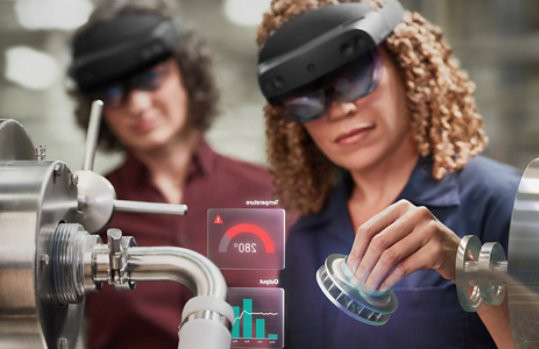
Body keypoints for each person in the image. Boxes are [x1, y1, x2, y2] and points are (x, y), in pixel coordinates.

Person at [255, 0, 520, 348]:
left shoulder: (505, 203)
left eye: (353, 76)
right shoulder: (305, 241)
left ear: (407, 69)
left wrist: (466, 269)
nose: (341, 109)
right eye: (307, 97)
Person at [68, 1, 276, 348]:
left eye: (149, 77)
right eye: (112, 92)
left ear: (188, 73)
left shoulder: (271, 192)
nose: (137, 105)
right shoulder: (78, 216)